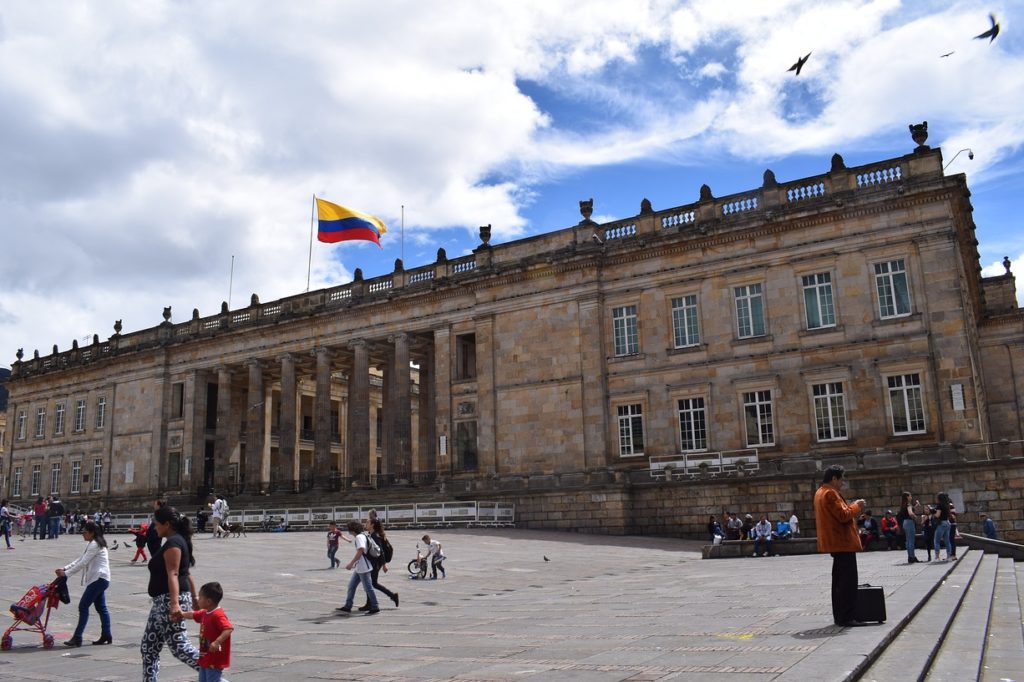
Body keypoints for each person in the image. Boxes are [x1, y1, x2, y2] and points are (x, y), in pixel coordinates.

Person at [141, 506, 201, 681]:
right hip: (161, 602)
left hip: (169, 600)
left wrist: (174, 604)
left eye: (156, 524)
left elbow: (174, 573)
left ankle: (212, 671)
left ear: (167, 524)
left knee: (179, 647)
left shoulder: (174, 543)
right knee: (148, 647)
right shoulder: (177, 540)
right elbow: (186, 573)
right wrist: (195, 598)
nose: (154, 527)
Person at [813, 464, 866, 627]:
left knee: (838, 582)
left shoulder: (820, 492)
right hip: (842, 542)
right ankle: (846, 617)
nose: (843, 482)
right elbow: (843, 515)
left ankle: (840, 616)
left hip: (836, 543)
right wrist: (857, 505)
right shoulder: (830, 493)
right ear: (834, 478)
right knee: (847, 583)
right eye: (842, 479)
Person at [55, 520, 113, 646]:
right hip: (101, 578)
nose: (82, 534)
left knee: (83, 606)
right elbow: (81, 559)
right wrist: (65, 568)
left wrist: (67, 573)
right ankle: (106, 634)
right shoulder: (95, 543)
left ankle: (77, 637)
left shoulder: (95, 544)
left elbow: (83, 562)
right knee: (101, 608)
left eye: (84, 532)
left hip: (99, 579)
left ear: (91, 533)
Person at [179, 581, 234, 682]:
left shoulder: (217, 615)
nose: (198, 600)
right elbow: (193, 614)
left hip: (214, 657)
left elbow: (228, 628)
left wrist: (217, 642)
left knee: (213, 680)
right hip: (205, 655)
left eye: (200, 598)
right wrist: (181, 614)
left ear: (208, 601)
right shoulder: (205, 612)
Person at [336, 520, 379, 615]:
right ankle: (348, 606)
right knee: (351, 586)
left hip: (363, 568)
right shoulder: (363, 535)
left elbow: (361, 550)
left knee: (368, 588)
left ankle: (375, 606)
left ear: (352, 530)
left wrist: (351, 563)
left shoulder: (359, 537)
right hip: (360, 567)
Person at [361, 518, 399, 610]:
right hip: (375, 562)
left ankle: (392, 596)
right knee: (370, 583)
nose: (366, 524)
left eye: (368, 522)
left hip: (376, 563)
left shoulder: (375, 536)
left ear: (372, 525)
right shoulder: (372, 534)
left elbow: (380, 551)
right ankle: (370, 603)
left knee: (371, 583)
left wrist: (384, 565)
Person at [897, 492, 921, 563]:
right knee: (911, 540)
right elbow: (910, 513)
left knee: (908, 540)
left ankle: (910, 556)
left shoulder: (903, 505)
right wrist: (915, 516)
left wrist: (916, 506)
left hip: (905, 522)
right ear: (907, 497)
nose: (911, 497)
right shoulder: (908, 504)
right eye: (910, 496)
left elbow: (908, 511)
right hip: (909, 522)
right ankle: (912, 557)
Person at [933, 492, 954, 562]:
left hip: (941, 523)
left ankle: (937, 557)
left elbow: (937, 515)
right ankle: (949, 556)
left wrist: (933, 513)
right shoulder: (947, 505)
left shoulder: (939, 505)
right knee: (947, 541)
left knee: (937, 541)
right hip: (947, 523)